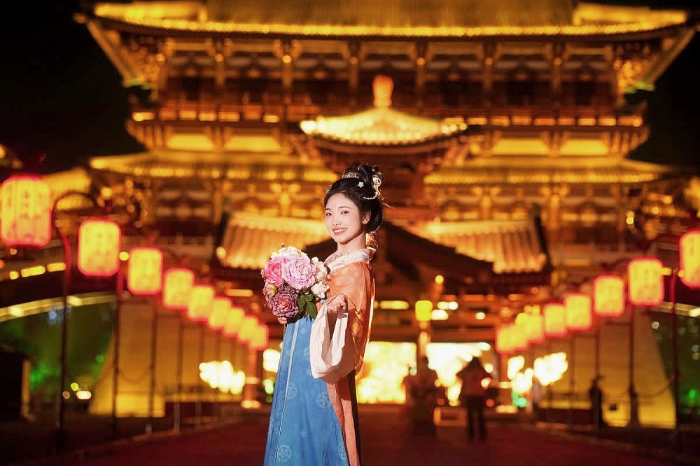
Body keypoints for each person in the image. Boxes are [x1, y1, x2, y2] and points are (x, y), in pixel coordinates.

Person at [264, 164, 385, 466]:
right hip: (300, 369)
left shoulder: (356, 269)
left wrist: (327, 312)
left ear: (365, 216)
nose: (335, 221)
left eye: (344, 212)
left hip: (321, 379)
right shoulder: (331, 264)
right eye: (329, 213)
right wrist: (289, 306)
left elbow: (348, 337)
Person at [456, 357, 490, 440]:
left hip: (470, 394)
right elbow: (489, 376)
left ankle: (471, 435)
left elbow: (458, 374)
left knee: (471, 416)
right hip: (478, 394)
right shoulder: (480, 370)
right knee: (479, 415)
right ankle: (480, 435)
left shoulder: (468, 371)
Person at [404, 356, 439, 435]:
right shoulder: (419, 372)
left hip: (428, 396)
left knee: (428, 414)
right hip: (419, 397)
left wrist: (426, 390)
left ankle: (428, 430)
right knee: (418, 413)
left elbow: (432, 383)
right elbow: (415, 382)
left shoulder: (432, 372)